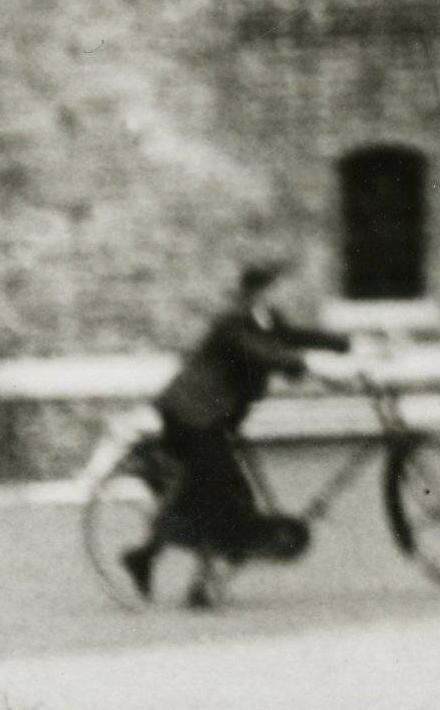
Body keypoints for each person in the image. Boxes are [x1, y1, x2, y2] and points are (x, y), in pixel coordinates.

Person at [128, 253, 354, 603]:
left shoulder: (267, 320)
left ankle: (149, 556)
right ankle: (197, 585)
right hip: (190, 414)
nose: (282, 295)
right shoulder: (233, 323)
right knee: (218, 492)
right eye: (275, 288)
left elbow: (295, 336)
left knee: (217, 491)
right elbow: (261, 353)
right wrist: (303, 364)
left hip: (216, 417)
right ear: (257, 291)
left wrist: (346, 345)